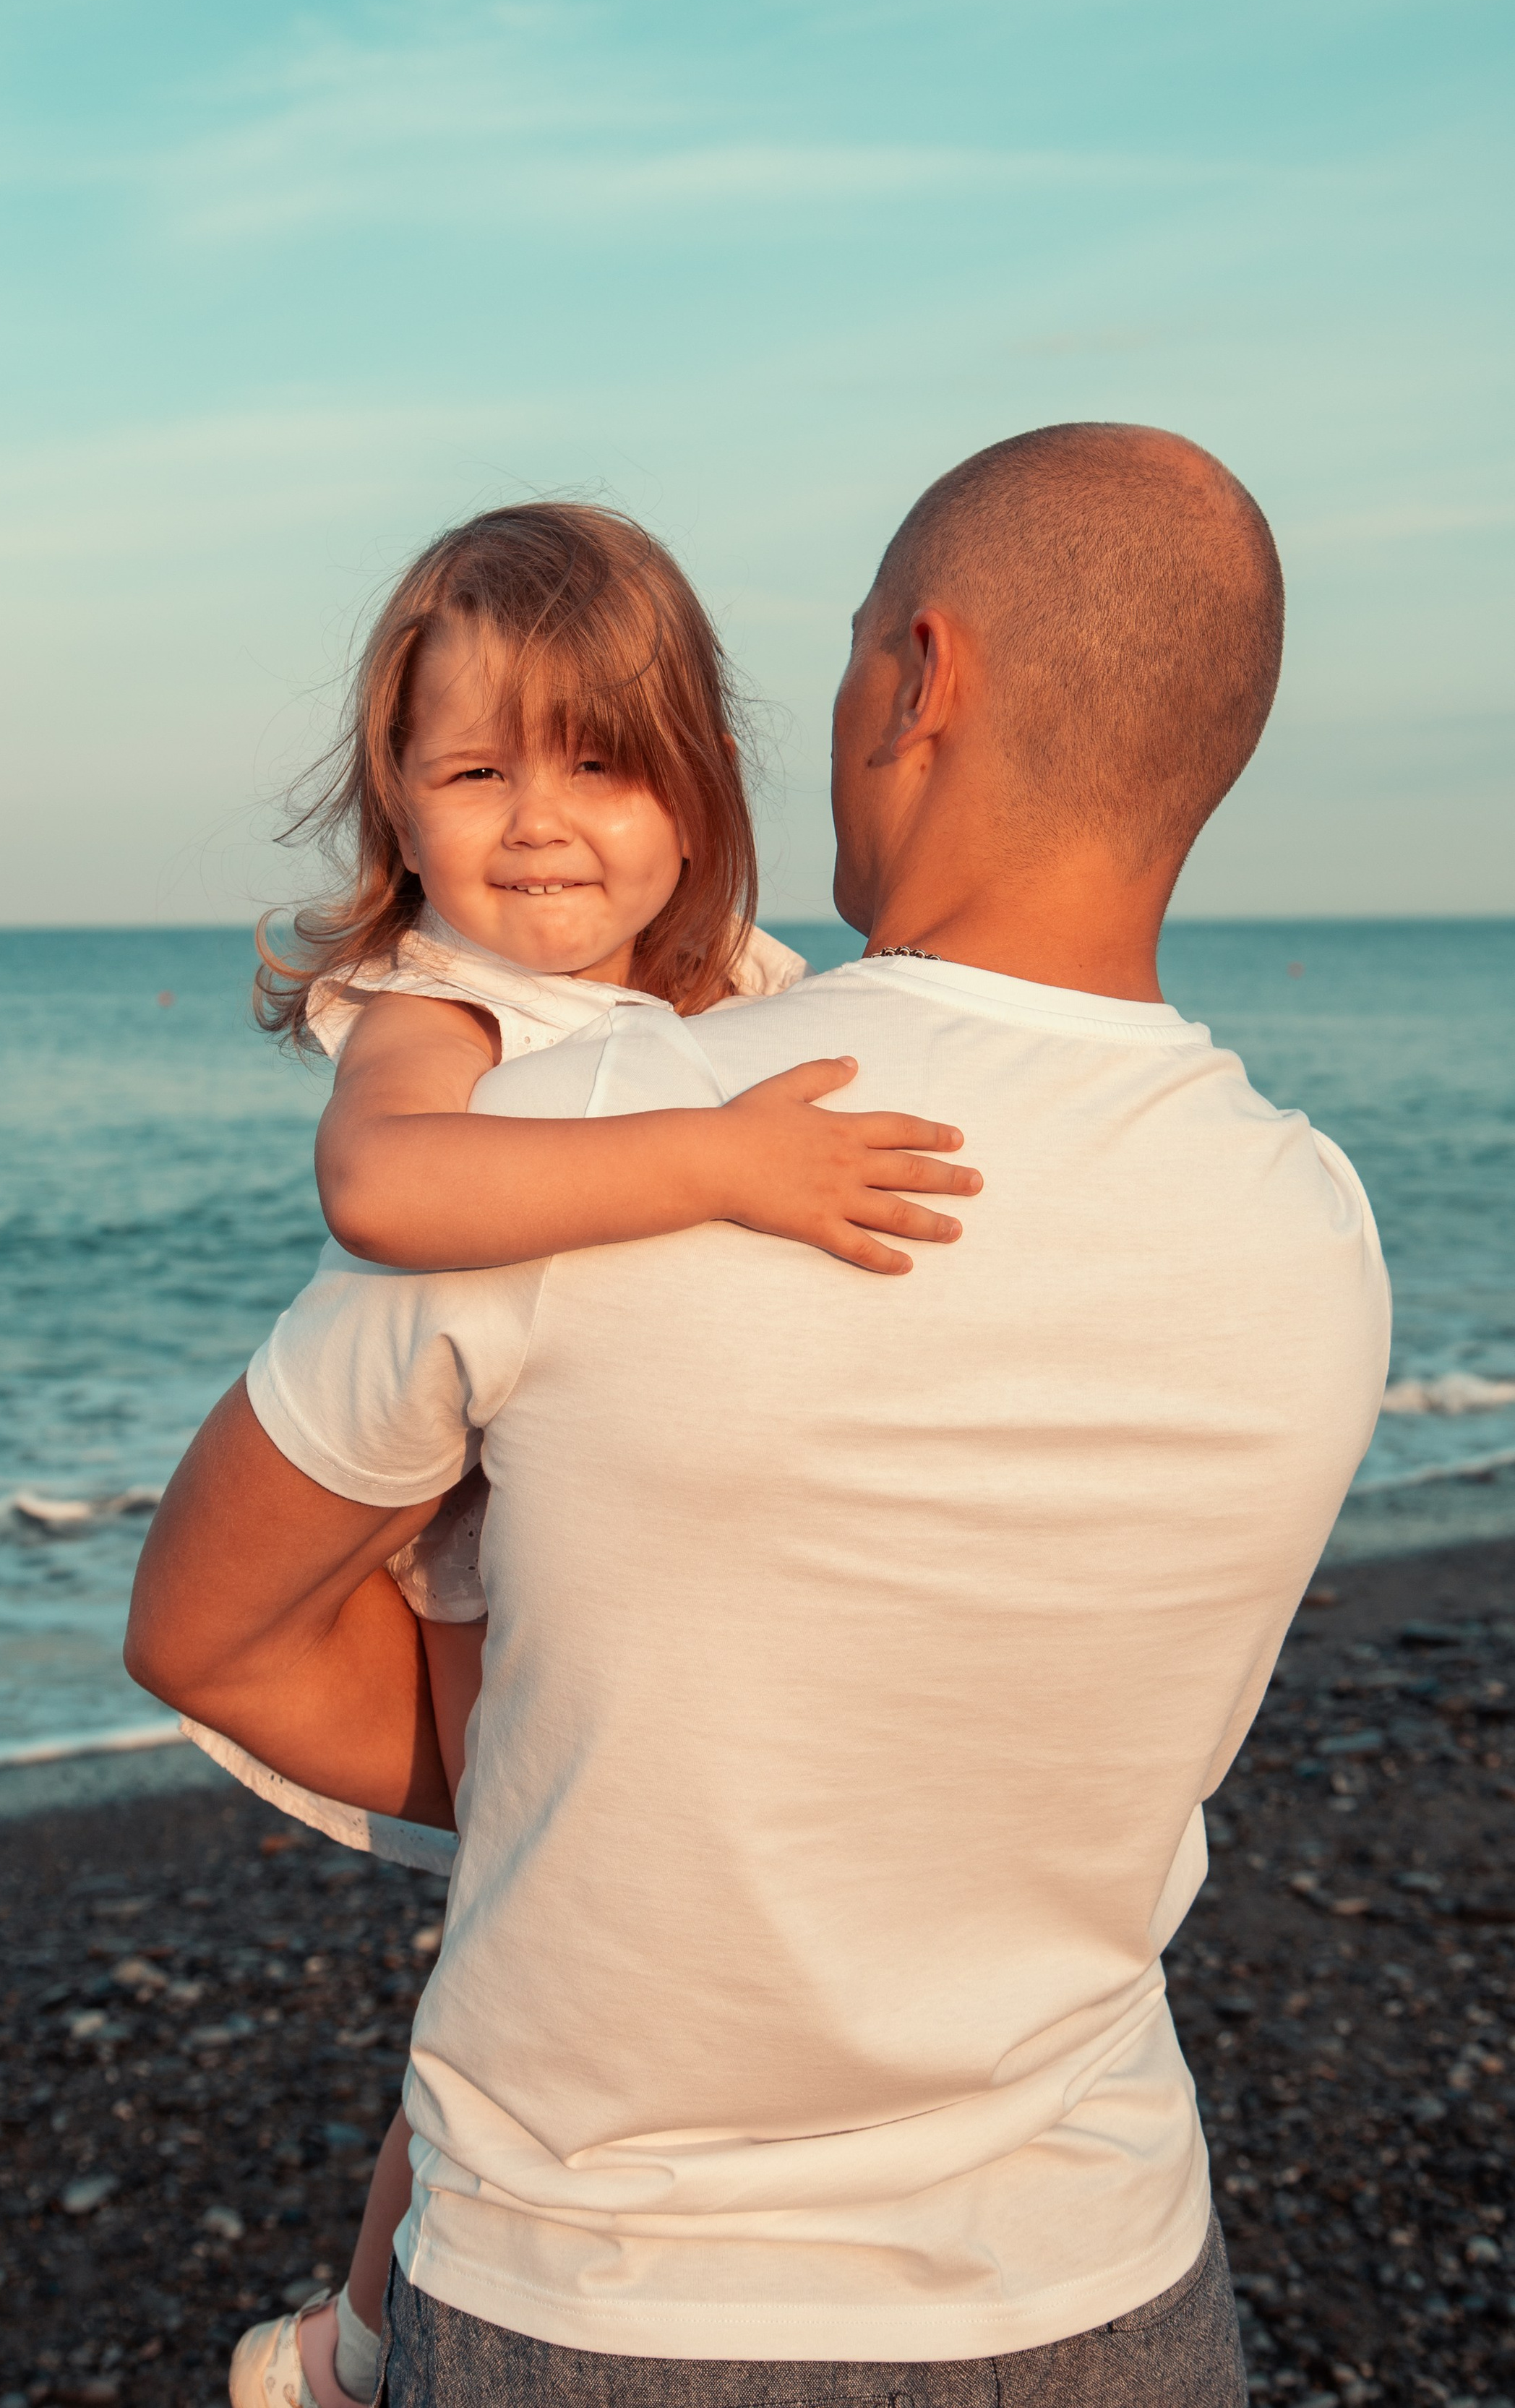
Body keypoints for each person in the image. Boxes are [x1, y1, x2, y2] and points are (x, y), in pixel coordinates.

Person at [127, 424, 1392, 2407]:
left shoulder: (585, 1132)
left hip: (609, 2298)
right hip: (1112, 2276)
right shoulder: (1315, 1221)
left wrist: (603, 1792)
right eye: (481, 774)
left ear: (921, 677)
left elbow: (204, 1631)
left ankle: (349, 2343)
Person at [220, 500, 982, 2405]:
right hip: (495, 1554)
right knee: (525, 1959)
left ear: (698, 790)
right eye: (477, 772)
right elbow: (385, 1185)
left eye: (602, 766)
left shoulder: (748, 988)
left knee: (628, 1936)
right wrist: (723, 1163)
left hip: (693, 1533)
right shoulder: (441, 1003)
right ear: (399, 807)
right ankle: (368, 2339)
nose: (541, 823)